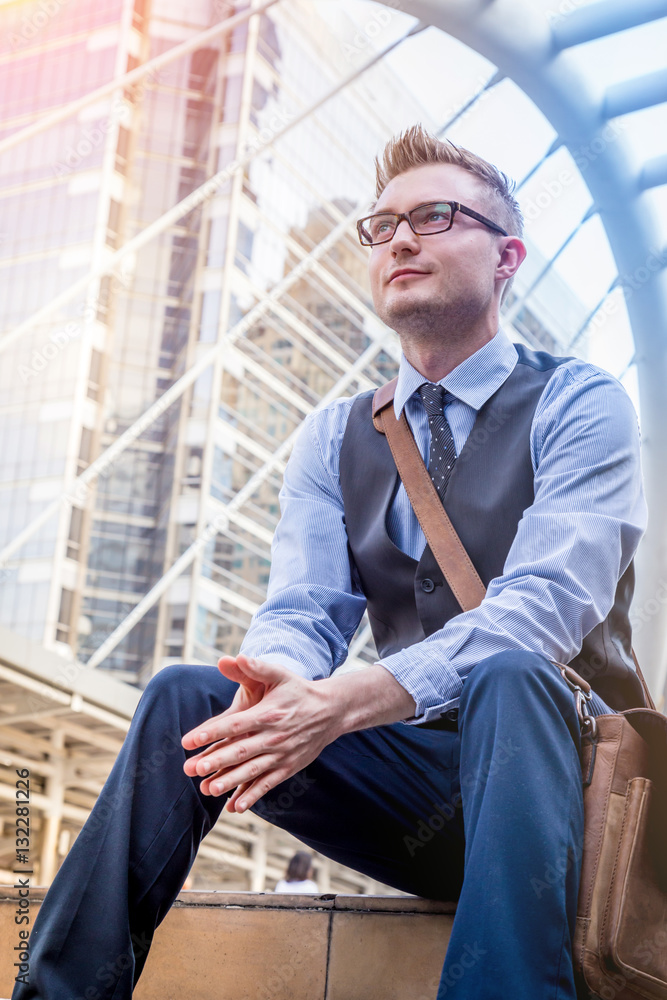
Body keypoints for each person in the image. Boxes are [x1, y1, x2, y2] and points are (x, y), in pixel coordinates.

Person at [15, 125, 648, 1000]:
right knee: (187, 702)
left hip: (570, 804)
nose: (398, 239)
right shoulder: (335, 435)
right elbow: (305, 609)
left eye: (433, 216)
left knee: (509, 673)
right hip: (423, 803)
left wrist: (351, 699)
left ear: (507, 256)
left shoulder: (580, 403)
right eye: (380, 224)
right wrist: (276, 681)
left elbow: (543, 608)